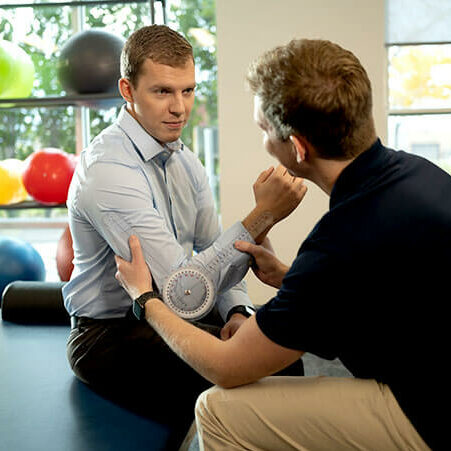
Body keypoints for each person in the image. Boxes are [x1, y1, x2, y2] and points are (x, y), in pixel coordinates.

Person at [114, 38, 449, 450]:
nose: (179, 106)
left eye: (263, 130)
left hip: (428, 415)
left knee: (216, 409)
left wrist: (145, 298)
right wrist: (292, 279)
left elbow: (225, 367)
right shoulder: (419, 175)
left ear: (297, 148)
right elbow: (389, 285)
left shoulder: (338, 242)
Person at [62, 24, 305, 449]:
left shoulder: (184, 161)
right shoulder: (108, 171)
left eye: (188, 91)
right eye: (162, 92)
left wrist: (238, 314)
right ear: (127, 89)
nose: (179, 108)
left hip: (177, 310)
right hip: (111, 335)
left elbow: (217, 250)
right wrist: (264, 214)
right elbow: (184, 291)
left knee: (279, 358)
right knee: (262, 380)